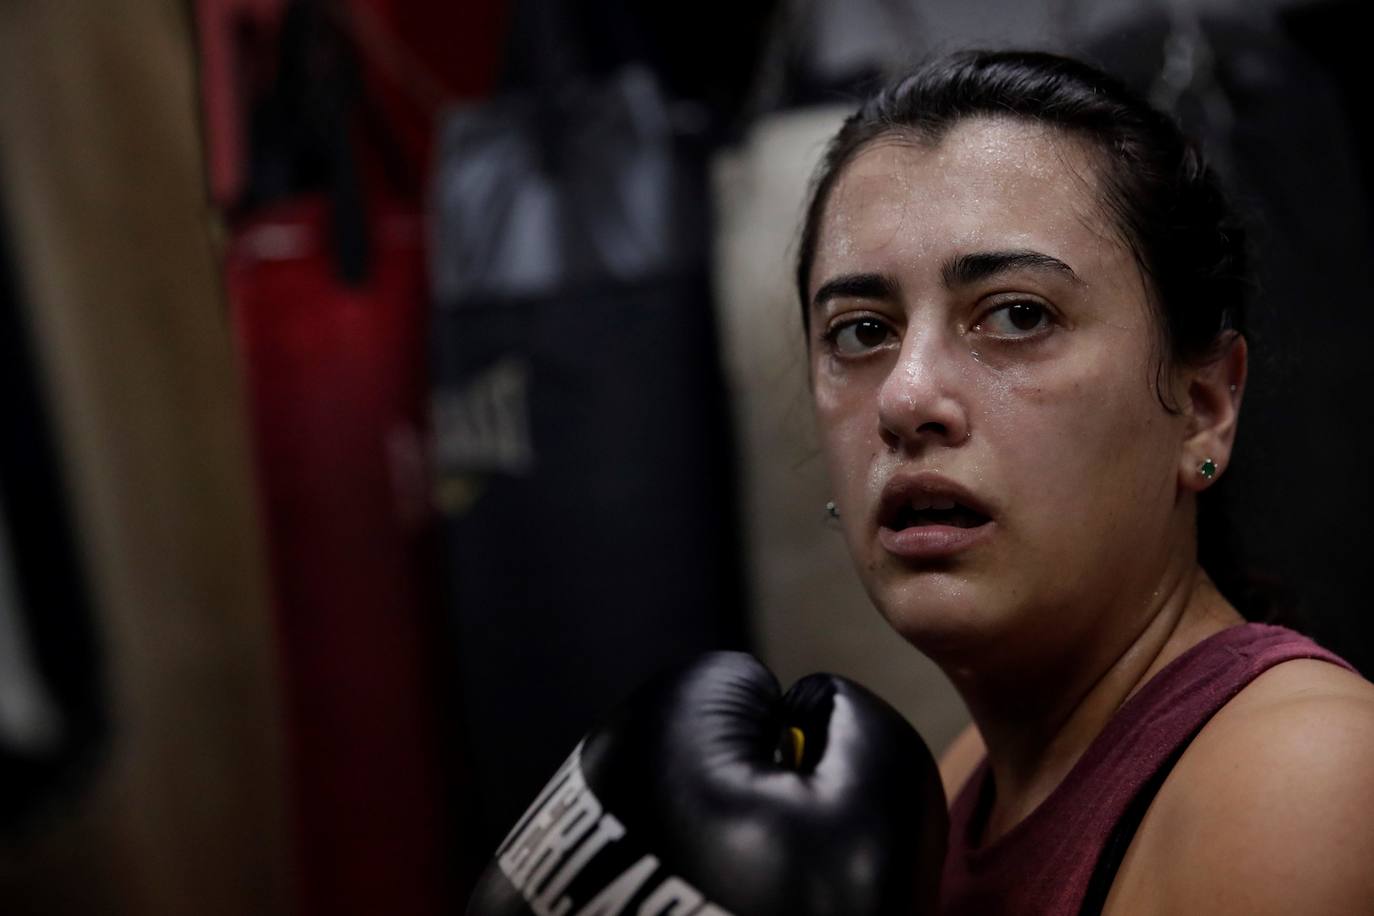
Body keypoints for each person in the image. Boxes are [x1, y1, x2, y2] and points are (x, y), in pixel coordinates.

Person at [795, 50, 1374, 914]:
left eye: (1017, 315)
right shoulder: (962, 789)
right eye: (859, 331)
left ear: (1204, 407)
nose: (906, 397)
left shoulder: (1312, 770)